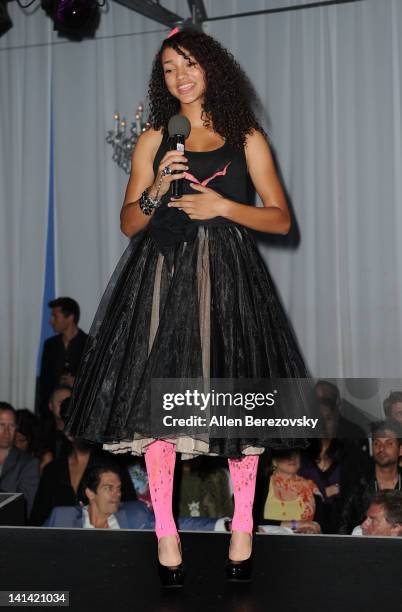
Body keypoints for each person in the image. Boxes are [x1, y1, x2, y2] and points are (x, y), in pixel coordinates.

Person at [64, 28, 310, 586]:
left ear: (212, 69)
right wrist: (157, 188)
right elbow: (129, 222)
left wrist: (224, 204)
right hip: (160, 277)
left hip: (226, 278)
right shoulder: (156, 137)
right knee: (159, 404)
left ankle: (243, 522)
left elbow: (279, 217)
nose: (181, 76)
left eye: (190, 64)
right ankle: (165, 530)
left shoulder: (246, 136)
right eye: (171, 68)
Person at [44, 463, 228, 532]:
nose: (117, 494)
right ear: (90, 492)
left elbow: (179, 524)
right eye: (109, 488)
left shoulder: (134, 514)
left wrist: (223, 525)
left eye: (119, 488)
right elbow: (33, 548)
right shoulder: (62, 517)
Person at [338, 420, 402, 534]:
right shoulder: (357, 482)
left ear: (400, 450)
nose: (381, 449)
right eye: (376, 443)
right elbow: (342, 524)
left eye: (389, 443)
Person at [37, 297, 87, 419]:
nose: (50, 321)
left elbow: (98, 379)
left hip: (80, 412)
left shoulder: (88, 344)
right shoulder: (50, 344)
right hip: (51, 413)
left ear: (70, 318)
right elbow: (44, 382)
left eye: (55, 316)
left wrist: (78, 382)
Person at [254, 448, 322, 534]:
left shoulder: (311, 487)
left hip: (304, 543)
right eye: (286, 454)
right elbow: (252, 520)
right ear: (274, 461)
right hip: (268, 542)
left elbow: (322, 523)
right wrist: (294, 525)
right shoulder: (260, 484)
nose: (292, 458)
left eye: (296, 454)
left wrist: (312, 529)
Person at [0, 403, 40, 519]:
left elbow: (24, 509)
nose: (7, 431)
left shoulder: (29, 464)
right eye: (2, 425)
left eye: (11, 425)